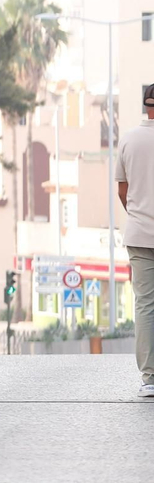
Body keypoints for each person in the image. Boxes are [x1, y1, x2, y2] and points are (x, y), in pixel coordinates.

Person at [118, 83, 154, 396]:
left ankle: (149, 379)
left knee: (145, 305)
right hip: (141, 231)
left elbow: (122, 189)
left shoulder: (128, 138)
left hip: (140, 234)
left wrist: (139, 214)